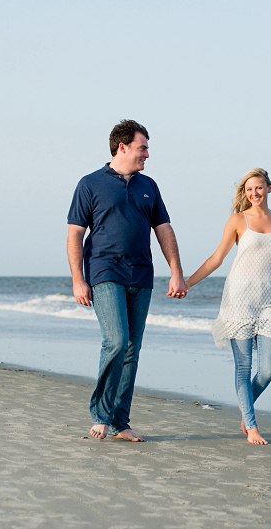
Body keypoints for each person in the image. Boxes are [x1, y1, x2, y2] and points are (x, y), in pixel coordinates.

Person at [67, 119, 188, 442]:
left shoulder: (148, 186)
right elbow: (75, 234)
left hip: (141, 274)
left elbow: (163, 230)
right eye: (142, 147)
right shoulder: (90, 184)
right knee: (116, 341)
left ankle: (120, 422)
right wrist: (78, 279)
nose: (147, 154)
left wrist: (176, 271)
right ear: (122, 147)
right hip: (105, 271)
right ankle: (100, 414)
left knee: (132, 349)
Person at [185, 168, 271, 445]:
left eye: (259, 188)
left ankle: (246, 407)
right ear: (245, 193)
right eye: (249, 189)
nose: (254, 193)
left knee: (267, 370)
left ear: (269, 188)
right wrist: (188, 283)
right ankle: (251, 425)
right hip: (239, 298)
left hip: (269, 301)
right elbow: (216, 259)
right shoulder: (238, 221)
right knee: (243, 367)